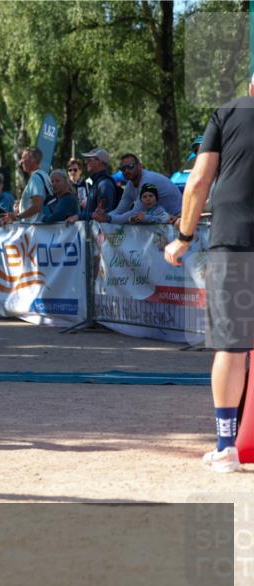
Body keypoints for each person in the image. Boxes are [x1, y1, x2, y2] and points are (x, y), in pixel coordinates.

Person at [163, 72, 254, 474]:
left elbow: (198, 180)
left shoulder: (227, 113)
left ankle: (226, 447)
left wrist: (183, 237)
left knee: (231, 347)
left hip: (234, 241)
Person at [101, 153, 183, 224]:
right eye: (123, 169)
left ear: (139, 166)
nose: (126, 171)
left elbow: (135, 213)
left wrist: (109, 219)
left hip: (179, 220)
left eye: (130, 166)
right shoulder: (130, 185)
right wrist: (103, 216)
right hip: (165, 223)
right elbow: (119, 210)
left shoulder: (147, 180)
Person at [69, 148, 118, 224]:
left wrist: (78, 217)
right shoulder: (96, 182)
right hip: (93, 231)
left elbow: (101, 215)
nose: (86, 162)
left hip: (102, 233)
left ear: (100, 162)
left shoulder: (104, 184)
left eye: (89, 160)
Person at [2, 147, 50, 224]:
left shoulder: (35, 178)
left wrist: (18, 217)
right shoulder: (44, 175)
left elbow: (37, 206)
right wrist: (20, 207)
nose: (21, 162)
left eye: (23, 158)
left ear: (33, 159)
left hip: (35, 227)